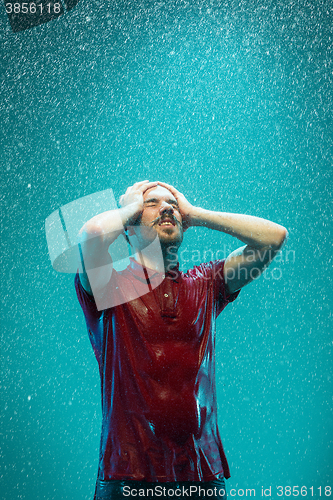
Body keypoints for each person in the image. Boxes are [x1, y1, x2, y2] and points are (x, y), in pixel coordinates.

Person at [75, 180, 288, 500]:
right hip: (128, 474)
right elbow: (91, 236)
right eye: (152, 204)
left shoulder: (207, 283)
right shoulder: (110, 285)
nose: (167, 208)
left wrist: (196, 213)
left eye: (173, 204)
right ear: (129, 228)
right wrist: (130, 207)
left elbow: (273, 237)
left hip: (202, 476)